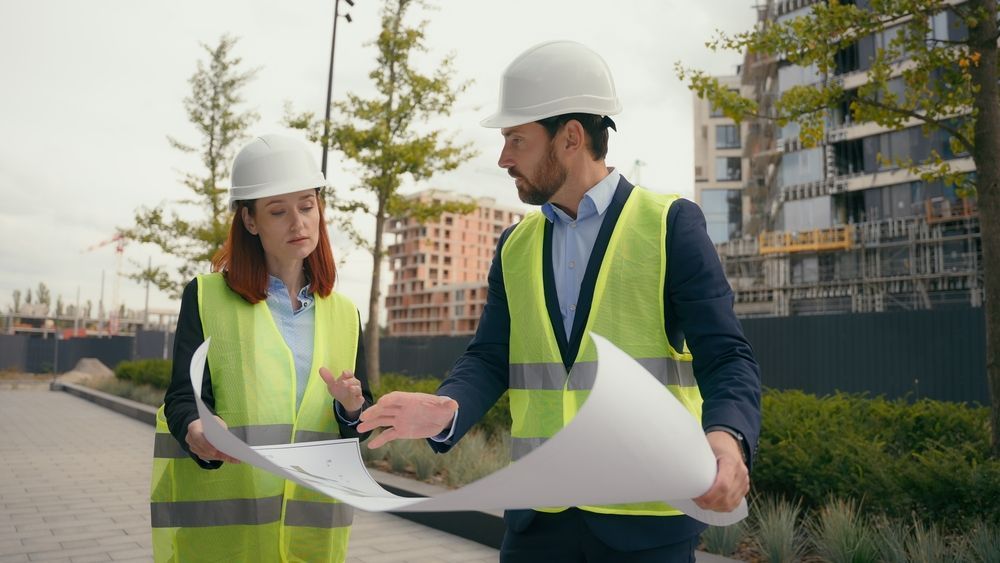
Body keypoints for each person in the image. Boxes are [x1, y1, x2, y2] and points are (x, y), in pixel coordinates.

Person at [358, 40, 762, 562]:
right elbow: (490, 356)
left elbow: (727, 356)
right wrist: (448, 408)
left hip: (646, 528)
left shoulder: (670, 226)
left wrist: (727, 439)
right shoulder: (514, 246)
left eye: (516, 140)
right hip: (536, 524)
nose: (503, 158)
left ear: (571, 137)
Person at [150, 134, 373, 562]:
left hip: (311, 539)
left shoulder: (344, 313)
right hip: (227, 543)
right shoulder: (205, 297)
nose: (299, 223)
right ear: (250, 221)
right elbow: (182, 398)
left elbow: (359, 424)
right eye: (278, 211)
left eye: (307, 206)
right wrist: (196, 429)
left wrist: (351, 408)